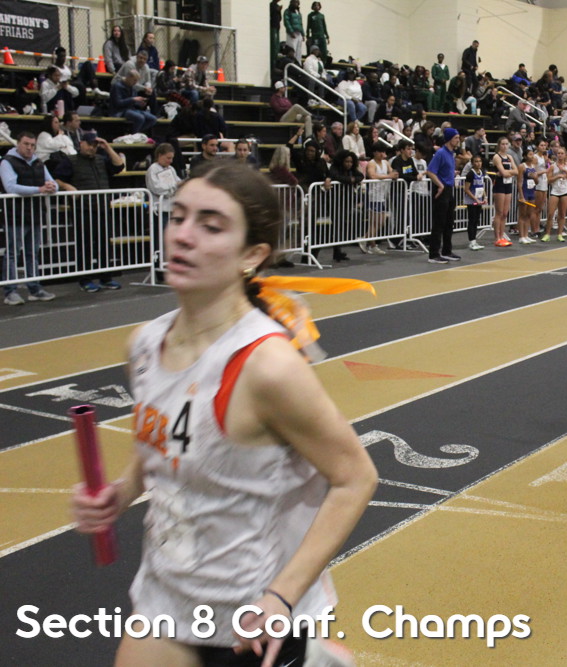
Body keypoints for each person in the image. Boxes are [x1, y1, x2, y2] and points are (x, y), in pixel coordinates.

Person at [71, 160, 378, 665]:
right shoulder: (145, 345)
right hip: (168, 593)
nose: (183, 235)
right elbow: (164, 440)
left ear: (251, 255)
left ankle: (316, 654)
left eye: (211, 226)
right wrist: (121, 493)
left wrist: (282, 597)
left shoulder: (268, 367)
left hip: (254, 616)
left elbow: (355, 478)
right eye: (178, 217)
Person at [64, 131, 126, 292]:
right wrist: (68, 187)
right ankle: (85, 280)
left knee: (104, 244)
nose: (92, 148)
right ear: (81, 143)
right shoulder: (71, 161)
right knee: (84, 246)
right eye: (89, 144)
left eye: (95, 145)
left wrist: (107, 147)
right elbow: (56, 178)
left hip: (102, 207)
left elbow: (119, 166)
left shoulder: (101, 160)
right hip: (83, 209)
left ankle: (106, 278)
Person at [1, 132, 58, 305]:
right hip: (14, 215)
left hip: (35, 214)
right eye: (26, 144)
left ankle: (35, 289)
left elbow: (53, 183)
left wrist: (51, 187)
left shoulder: (38, 162)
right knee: (13, 253)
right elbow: (10, 187)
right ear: (18, 143)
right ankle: (10, 291)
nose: (29, 148)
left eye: (33, 145)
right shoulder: (6, 162)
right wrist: (39, 190)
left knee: (32, 253)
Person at [424, 127, 462, 264]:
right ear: (449, 139)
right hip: (442, 189)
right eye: (456, 138)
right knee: (439, 223)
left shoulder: (451, 154)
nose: (458, 140)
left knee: (449, 222)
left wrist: (452, 174)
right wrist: (440, 185)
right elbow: (430, 171)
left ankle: (447, 250)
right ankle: (434, 254)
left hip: (449, 189)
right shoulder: (440, 153)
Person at [111, 70, 158, 134]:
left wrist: (140, 104)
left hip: (132, 109)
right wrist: (133, 99)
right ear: (129, 77)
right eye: (134, 80)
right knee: (140, 118)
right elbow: (118, 103)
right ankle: (134, 134)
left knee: (153, 119)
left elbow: (134, 102)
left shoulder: (132, 87)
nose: (135, 83)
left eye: (137, 81)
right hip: (120, 110)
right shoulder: (117, 86)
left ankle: (134, 133)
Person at [490, 136, 517, 247]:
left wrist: (507, 172)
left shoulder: (510, 157)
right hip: (500, 185)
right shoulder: (497, 157)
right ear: (499, 145)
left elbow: (516, 171)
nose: (505, 146)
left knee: (505, 213)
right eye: (503, 144)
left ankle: (502, 235)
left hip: (508, 185)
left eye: (506, 144)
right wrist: (509, 172)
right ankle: (497, 237)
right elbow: (504, 173)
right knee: (499, 212)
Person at [463, 153, 487, 250]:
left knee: (476, 220)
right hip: (471, 201)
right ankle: (471, 241)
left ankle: (474, 241)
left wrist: (485, 197)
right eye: (476, 162)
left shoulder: (481, 172)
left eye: (480, 161)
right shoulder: (470, 174)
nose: (478, 163)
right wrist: (475, 198)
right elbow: (466, 189)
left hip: (479, 200)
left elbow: (482, 186)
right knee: (472, 220)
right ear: (472, 163)